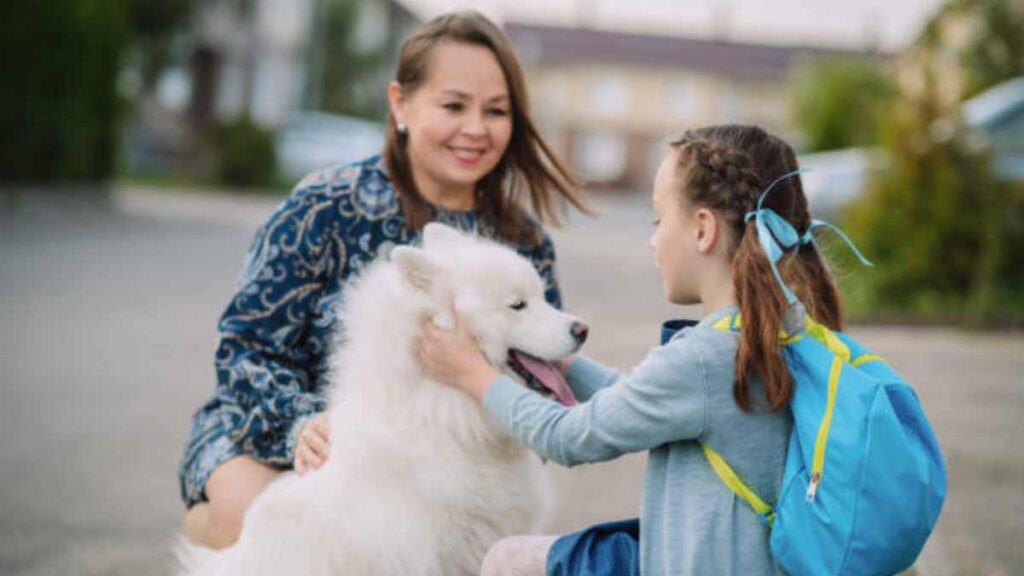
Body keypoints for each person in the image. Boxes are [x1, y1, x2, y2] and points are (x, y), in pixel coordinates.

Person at [178, 10, 588, 549]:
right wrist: (301, 423)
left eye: (496, 111)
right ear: (400, 104)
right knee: (267, 519)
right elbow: (244, 347)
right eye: (453, 105)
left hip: (448, 464)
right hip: (282, 436)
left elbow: (540, 375)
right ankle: (208, 540)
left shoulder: (522, 238)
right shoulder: (324, 207)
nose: (475, 128)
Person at [418, 124, 847, 575]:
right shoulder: (782, 330)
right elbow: (645, 402)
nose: (652, 239)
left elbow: (568, 436)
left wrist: (473, 375)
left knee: (508, 560)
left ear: (703, 230)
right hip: (757, 560)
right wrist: (564, 363)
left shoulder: (704, 357)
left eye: (659, 221)